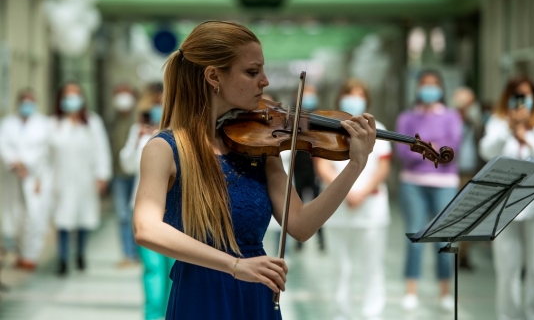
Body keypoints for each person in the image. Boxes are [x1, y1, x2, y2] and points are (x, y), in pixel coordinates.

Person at [132, 20, 377, 320]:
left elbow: (300, 225)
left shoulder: (258, 148)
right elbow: (146, 229)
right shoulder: (164, 149)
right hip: (201, 297)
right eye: (252, 72)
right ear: (213, 76)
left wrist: (356, 165)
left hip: (256, 292)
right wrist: (234, 266)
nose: (264, 81)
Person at [315, 79, 392, 320]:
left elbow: (383, 167)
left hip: (371, 208)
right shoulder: (328, 127)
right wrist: (346, 191)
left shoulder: (378, 127)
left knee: (373, 267)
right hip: (337, 207)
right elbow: (322, 165)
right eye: (349, 94)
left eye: (359, 95)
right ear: (340, 98)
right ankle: (341, 314)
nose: (354, 99)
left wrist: (363, 191)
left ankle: (373, 313)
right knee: (340, 268)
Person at [395, 70, 462, 311]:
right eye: (424, 84)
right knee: (415, 235)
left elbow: (451, 151)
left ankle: (445, 291)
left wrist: (423, 146)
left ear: (441, 88)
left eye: (434, 84)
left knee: (443, 238)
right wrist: (433, 146)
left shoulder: (451, 116)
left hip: (444, 185)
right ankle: (410, 290)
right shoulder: (407, 118)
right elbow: (403, 153)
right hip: (413, 183)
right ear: (417, 88)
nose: (429, 89)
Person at [478, 76, 534, 320]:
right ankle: (508, 316)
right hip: (505, 203)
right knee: (507, 268)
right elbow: (487, 151)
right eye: (518, 96)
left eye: (527, 96)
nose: (522, 102)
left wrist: (528, 137)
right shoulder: (499, 122)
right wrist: (510, 130)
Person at [120, 82, 175, 320]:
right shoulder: (139, 131)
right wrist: (138, 141)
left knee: (175, 269)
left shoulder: (180, 131)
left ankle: (174, 314)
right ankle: (152, 317)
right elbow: (127, 165)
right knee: (153, 269)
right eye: (155, 103)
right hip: (144, 208)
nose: (159, 107)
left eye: (164, 102)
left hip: (175, 209)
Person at [49, 82, 112, 276]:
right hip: (60, 179)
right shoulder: (53, 124)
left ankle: (81, 254)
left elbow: (101, 150)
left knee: (84, 219)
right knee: (62, 221)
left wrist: (102, 175)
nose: (72, 100)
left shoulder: (93, 122)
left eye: (75, 95)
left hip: (86, 179)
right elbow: (45, 154)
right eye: (68, 96)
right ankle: (63, 259)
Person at [0, 89, 51, 271]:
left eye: (31, 101)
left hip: (36, 177)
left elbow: (43, 151)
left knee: (35, 216)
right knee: (16, 217)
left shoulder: (44, 124)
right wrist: (15, 164)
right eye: (24, 101)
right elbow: (3, 145)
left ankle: (31, 255)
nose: (27, 105)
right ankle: (20, 254)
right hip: (13, 176)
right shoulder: (7, 123)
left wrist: (27, 166)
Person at [451, 86, 484, 270]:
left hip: (472, 172)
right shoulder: (448, 121)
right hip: (451, 173)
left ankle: (464, 255)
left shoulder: (476, 124)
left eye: (468, 103)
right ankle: (447, 254)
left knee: (469, 214)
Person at [294, 84, 325, 251]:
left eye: (311, 94)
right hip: (298, 168)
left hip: (315, 168)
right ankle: (298, 242)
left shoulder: (321, 117)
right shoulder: (293, 117)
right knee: (297, 204)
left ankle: (321, 240)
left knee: (317, 205)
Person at [110, 84, 139, 267]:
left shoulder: (139, 119)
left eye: (126, 94)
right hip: (118, 175)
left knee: (137, 213)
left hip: (138, 174)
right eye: (119, 94)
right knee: (122, 215)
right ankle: (127, 254)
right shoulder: (112, 121)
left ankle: (138, 252)